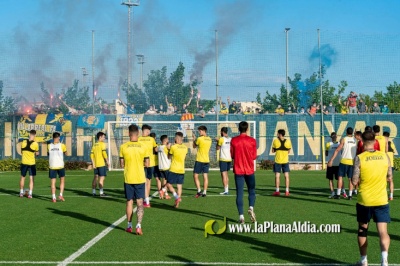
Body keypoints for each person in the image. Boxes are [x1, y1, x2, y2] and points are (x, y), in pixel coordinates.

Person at [352, 131, 392, 266]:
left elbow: (354, 180)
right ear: (375, 141)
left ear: (362, 142)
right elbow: (390, 177)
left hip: (365, 199)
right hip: (381, 198)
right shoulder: (384, 156)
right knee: (383, 232)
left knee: (363, 230)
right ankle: (384, 260)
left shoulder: (359, 158)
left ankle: (364, 261)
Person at [120, 124, 149, 235]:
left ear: (129, 134)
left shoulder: (123, 147)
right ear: (138, 134)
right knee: (140, 203)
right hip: (140, 178)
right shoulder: (143, 147)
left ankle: (129, 225)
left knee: (129, 202)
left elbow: (122, 164)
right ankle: (138, 225)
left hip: (128, 178)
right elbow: (147, 163)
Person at [230, 121, 257, 224]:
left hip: (238, 169)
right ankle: (251, 207)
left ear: (238, 129)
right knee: (252, 190)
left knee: (239, 193)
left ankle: (241, 216)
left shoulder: (234, 140)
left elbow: (232, 155)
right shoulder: (252, 141)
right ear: (247, 129)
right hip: (249, 169)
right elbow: (254, 156)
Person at [327, 127, 357, 199]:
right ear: (352, 132)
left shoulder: (344, 139)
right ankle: (350, 195)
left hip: (344, 161)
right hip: (352, 161)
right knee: (350, 179)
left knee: (340, 177)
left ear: (346, 132)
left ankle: (338, 194)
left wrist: (331, 159)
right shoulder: (356, 140)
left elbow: (337, 150)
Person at [166, 132, 188, 208]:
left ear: (176, 138)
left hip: (174, 169)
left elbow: (169, 157)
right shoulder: (185, 147)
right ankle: (177, 204)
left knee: (168, 185)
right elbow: (185, 158)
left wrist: (168, 149)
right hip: (181, 169)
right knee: (179, 186)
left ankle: (176, 197)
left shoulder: (174, 147)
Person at [138, 124, 158, 208]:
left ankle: (145, 199)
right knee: (148, 181)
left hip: (142, 163)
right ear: (144, 130)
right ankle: (146, 199)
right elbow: (156, 149)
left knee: (143, 181)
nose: (149, 132)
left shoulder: (138, 139)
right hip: (150, 163)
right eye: (148, 130)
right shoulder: (151, 139)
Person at [193, 125, 212, 198]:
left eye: (200, 131)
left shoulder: (199, 139)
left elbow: (194, 146)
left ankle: (199, 190)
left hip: (200, 160)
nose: (199, 132)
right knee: (205, 176)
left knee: (195, 175)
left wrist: (194, 139)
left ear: (204, 131)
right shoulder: (209, 139)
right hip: (206, 160)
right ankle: (204, 191)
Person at [48, 132, 67, 202]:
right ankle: (61, 195)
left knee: (53, 183)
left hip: (52, 166)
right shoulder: (62, 145)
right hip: (60, 166)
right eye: (59, 137)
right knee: (62, 180)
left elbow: (48, 153)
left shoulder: (49, 146)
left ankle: (53, 197)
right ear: (58, 137)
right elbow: (66, 153)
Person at [19, 130, 39, 198]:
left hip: (24, 162)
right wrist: (37, 153)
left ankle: (21, 192)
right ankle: (30, 194)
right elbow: (36, 153)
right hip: (31, 163)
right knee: (31, 178)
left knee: (22, 177)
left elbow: (22, 152)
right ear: (35, 135)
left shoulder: (23, 142)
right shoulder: (35, 144)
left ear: (29, 134)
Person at [272, 129, 292, 196]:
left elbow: (273, 151)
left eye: (277, 134)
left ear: (280, 134)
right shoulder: (288, 141)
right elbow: (289, 151)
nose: (277, 135)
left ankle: (277, 191)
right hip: (285, 161)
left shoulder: (275, 141)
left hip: (278, 161)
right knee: (286, 176)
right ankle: (287, 191)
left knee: (277, 176)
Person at [91, 132, 110, 197]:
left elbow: (92, 155)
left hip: (96, 165)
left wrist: (93, 163)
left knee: (95, 178)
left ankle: (93, 192)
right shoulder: (102, 144)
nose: (104, 138)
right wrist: (107, 161)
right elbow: (104, 154)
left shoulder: (94, 145)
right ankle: (101, 193)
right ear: (100, 137)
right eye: (103, 137)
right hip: (101, 164)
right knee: (101, 178)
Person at [216, 127, 232, 195]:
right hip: (229, 158)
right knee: (226, 174)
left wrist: (217, 141)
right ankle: (227, 188)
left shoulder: (221, 139)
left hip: (223, 159)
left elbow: (217, 148)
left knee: (223, 174)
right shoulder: (230, 139)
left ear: (222, 132)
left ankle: (226, 190)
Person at [326, 132, 340, 198]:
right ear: (336, 137)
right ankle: (342, 192)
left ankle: (332, 193)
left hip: (331, 164)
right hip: (338, 163)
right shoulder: (340, 144)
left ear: (331, 137)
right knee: (339, 179)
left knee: (330, 179)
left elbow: (326, 154)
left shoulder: (328, 144)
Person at [157, 135, 172, 200]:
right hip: (166, 166)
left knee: (164, 180)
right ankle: (162, 190)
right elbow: (170, 156)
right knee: (170, 181)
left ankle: (166, 194)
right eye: (168, 139)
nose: (168, 140)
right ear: (165, 140)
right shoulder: (165, 148)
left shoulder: (159, 147)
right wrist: (169, 149)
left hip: (161, 167)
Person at [150, 132, 163, 199]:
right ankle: (161, 194)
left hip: (149, 164)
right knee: (158, 179)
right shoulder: (157, 145)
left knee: (147, 180)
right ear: (155, 138)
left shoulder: (148, 145)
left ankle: (145, 195)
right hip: (156, 164)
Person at [383, 131, 395, 201]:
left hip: (384, 164)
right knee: (391, 180)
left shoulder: (382, 143)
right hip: (391, 165)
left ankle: (383, 194)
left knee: (383, 180)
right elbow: (393, 153)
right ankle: (391, 196)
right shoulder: (391, 143)